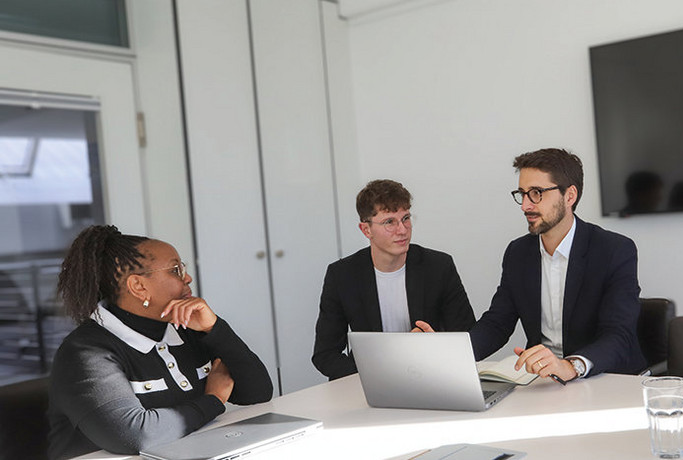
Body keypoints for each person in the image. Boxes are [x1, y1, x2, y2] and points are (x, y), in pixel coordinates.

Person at [47, 225, 273, 460]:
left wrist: (214, 328)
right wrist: (214, 399)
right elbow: (135, 435)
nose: (187, 277)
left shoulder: (185, 327)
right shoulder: (85, 351)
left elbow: (257, 392)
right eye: (175, 270)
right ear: (139, 287)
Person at [470, 148, 646, 383]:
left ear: (569, 196)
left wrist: (571, 365)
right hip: (543, 382)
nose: (525, 205)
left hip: (605, 378)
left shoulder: (614, 250)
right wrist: (453, 354)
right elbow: (497, 323)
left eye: (536, 193)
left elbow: (618, 335)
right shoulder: (518, 253)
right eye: (522, 194)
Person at [312, 179, 476, 380]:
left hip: (431, 375)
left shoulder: (438, 266)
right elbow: (325, 354)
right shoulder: (342, 275)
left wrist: (436, 345)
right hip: (367, 380)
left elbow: (467, 337)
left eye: (405, 218)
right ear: (366, 230)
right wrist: (377, 375)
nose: (402, 230)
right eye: (389, 222)